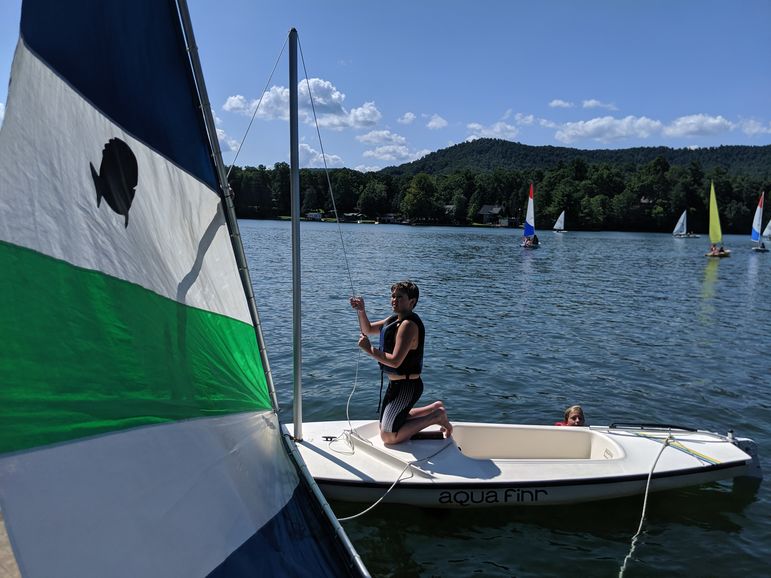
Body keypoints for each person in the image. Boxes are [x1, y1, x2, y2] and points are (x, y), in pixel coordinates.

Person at [350, 281, 452, 444]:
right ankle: (434, 408)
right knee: (384, 425)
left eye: (400, 297)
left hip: (407, 386)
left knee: (388, 436)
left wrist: (369, 349)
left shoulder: (408, 325)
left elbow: (396, 362)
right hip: (396, 386)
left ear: (412, 302)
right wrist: (362, 311)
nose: (394, 300)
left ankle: (436, 417)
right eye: (393, 296)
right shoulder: (393, 320)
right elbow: (368, 329)